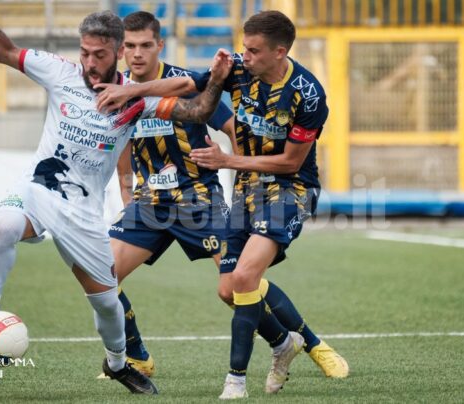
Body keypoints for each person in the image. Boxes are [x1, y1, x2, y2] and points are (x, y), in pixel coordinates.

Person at [0, 10, 231, 395]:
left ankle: (119, 363)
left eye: (99, 55)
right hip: (39, 188)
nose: (89, 62)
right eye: (85, 52)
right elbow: (6, 52)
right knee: (4, 226)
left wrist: (215, 81)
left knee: (105, 302)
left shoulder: (135, 99)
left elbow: (198, 110)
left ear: (118, 53)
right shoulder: (59, 72)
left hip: (82, 213)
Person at [94, 10, 349, 399]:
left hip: (198, 198)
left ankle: (310, 343)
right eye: (129, 46)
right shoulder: (120, 90)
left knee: (235, 286)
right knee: (102, 276)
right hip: (150, 204)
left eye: (145, 44)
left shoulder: (195, 82)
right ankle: (137, 356)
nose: (137, 53)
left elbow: (234, 129)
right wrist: (129, 194)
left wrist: (229, 161)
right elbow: (125, 146)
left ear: (159, 45)